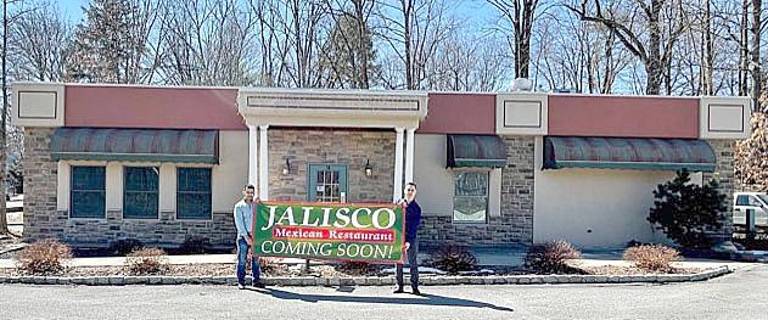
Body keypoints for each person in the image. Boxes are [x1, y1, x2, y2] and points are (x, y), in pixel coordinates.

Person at [234, 184, 264, 289]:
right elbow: (239, 223)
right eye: (248, 192)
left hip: (255, 236)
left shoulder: (255, 205)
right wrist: (247, 237)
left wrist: (261, 204)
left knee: (256, 260)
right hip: (243, 237)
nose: (250, 195)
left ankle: (256, 281)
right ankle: (241, 282)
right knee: (242, 259)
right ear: (244, 192)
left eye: (252, 193)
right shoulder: (239, 206)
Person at [394, 182, 422, 295]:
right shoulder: (398, 204)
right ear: (404, 191)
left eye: (412, 190)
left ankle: (414, 286)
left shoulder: (416, 208)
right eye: (408, 190)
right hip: (399, 237)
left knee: (412, 262)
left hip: (411, 238)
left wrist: (409, 241)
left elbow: (414, 226)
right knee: (398, 262)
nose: (410, 192)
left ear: (415, 193)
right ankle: (399, 285)